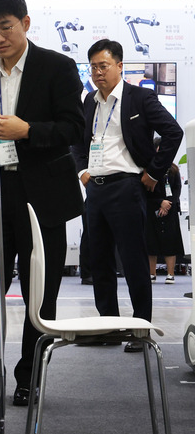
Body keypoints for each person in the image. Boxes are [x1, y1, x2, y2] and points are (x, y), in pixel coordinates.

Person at [0, 0, 85, 406]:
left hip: (44, 198)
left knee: (39, 293)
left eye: (5, 27)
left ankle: (30, 377)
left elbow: (74, 128)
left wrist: (28, 131)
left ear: (25, 23)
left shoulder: (57, 68)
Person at [72, 39, 183, 352]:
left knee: (133, 260)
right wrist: (82, 172)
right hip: (96, 188)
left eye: (103, 66)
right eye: (93, 67)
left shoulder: (141, 98)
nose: (98, 72)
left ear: (119, 66)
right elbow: (77, 143)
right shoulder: (89, 102)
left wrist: (153, 173)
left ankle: (140, 330)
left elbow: (173, 132)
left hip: (127, 186)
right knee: (99, 259)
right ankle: (107, 326)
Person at [145, 140, 184, 285]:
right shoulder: (148, 168)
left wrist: (168, 204)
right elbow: (145, 191)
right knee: (151, 242)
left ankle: (170, 274)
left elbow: (176, 189)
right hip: (152, 209)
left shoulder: (173, 169)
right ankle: (152, 273)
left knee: (170, 242)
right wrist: (159, 202)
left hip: (170, 210)